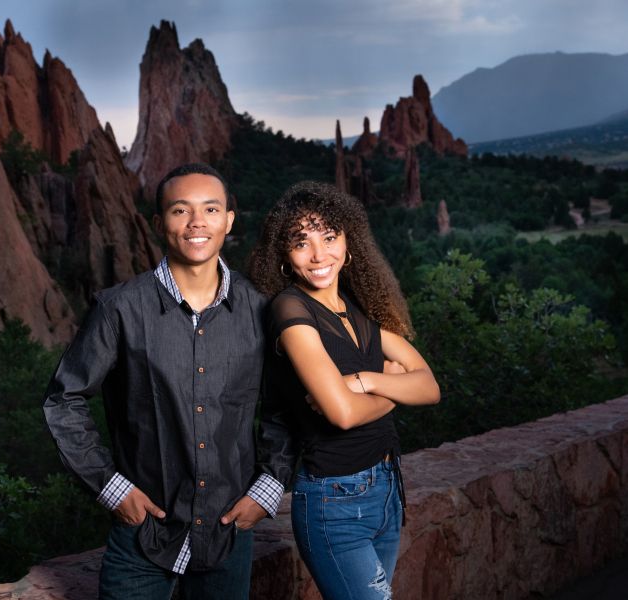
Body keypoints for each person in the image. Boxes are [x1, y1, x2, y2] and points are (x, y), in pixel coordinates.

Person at [43, 163, 286, 600]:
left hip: (228, 535)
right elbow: (64, 399)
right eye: (180, 210)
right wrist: (110, 487)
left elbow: (283, 406)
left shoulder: (259, 311)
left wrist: (267, 489)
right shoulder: (119, 308)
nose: (197, 222)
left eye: (211, 209)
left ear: (229, 220)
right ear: (158, 223)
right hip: (140, 539)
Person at [250, 181, 440, 600]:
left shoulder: (358, 307)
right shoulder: (291, 308)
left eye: (329, 237)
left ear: (348, 240)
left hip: (387, 489)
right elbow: (342, 414)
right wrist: (392, 388)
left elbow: (429, 386)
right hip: (335, 500)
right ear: (285, 255)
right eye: (302, 242)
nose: (319, 255)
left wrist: (366, 382)